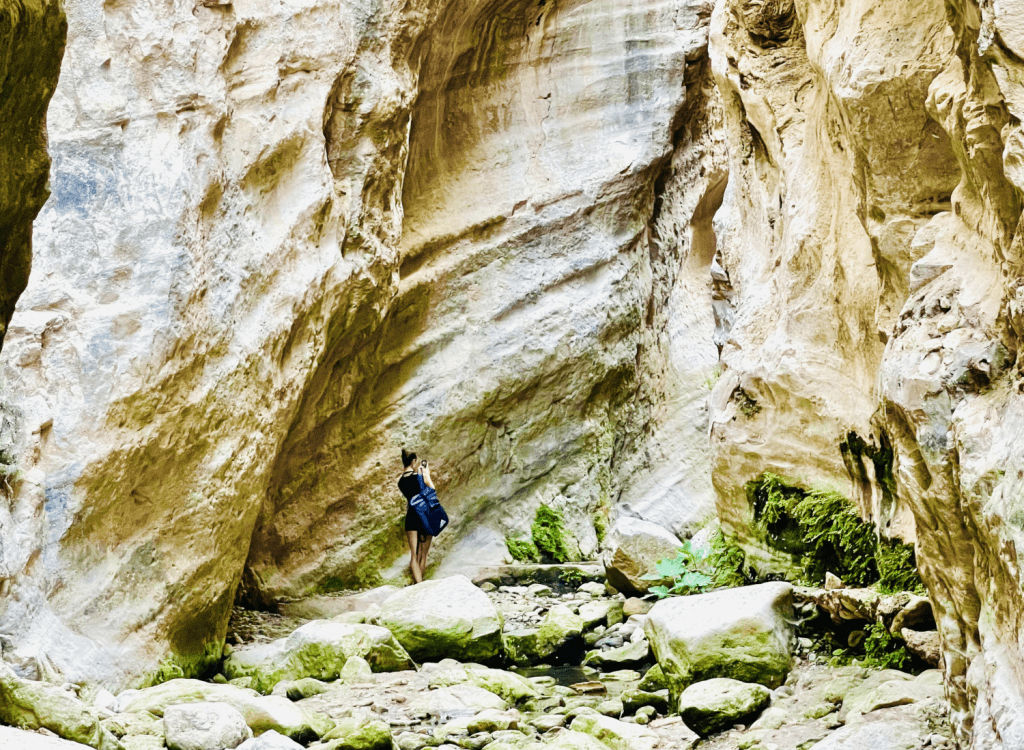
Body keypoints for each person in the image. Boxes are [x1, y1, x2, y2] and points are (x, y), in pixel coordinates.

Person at [398, 449, 435, 584]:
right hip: (424, 516)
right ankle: (420, 586)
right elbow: (431, 490)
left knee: (414, 555)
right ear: (414, 461)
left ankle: (418, 584)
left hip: (411, 516)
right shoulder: (419, 477)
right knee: (423, 554)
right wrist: (426, 474)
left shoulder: (401, 482)